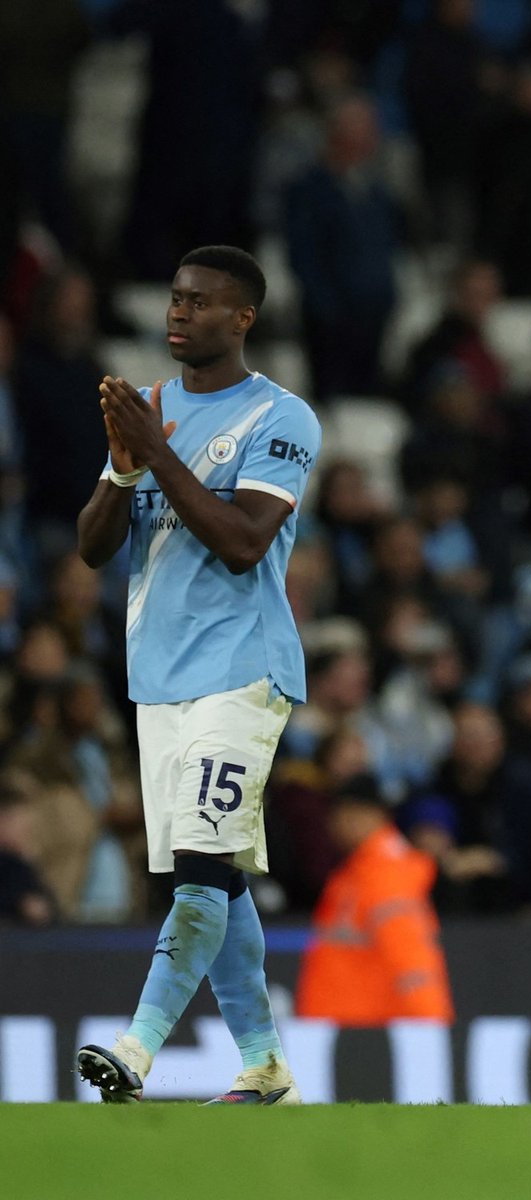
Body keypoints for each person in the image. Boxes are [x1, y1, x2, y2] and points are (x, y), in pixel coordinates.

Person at [72, 245, 321, 1105]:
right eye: (174, 298)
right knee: (211, 875)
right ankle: (265, 1065)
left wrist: (156, 453)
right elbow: (95, 547)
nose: (179, 313)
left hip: (242, 670)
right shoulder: (148, 411)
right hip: (158, 678)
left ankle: (136, 1052)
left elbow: (245, 539)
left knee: (202, 870)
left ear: (242, 318)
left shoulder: (280, 418)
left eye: (201, 303)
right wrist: (122, 463)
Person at [296, 780, 454, 1026]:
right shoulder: (360, 870)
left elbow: (411, 957)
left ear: (365, 815)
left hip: (366, 1031)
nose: (333, 827)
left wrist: (430, 1031)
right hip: (347, 1026)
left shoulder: (386, 874)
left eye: (339, 816)